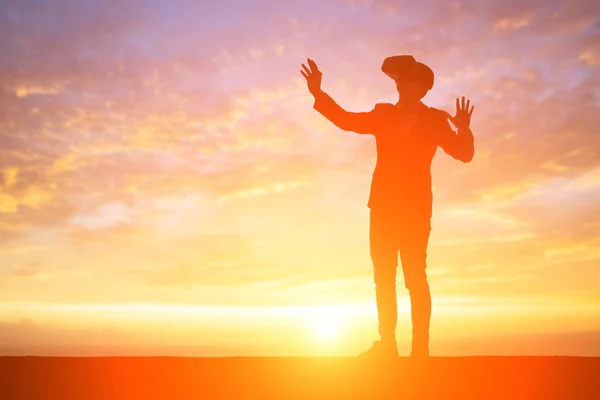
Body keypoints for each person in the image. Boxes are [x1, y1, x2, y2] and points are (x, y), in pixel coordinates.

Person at [300, 56, 475, 358]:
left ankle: (420, 349)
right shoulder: (383, 114)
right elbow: (345, 119)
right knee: (383, 277)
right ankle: (388, 346)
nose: (399, 84)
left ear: (422, 88)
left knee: (415, 278)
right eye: (398, 80)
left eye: (407, 80)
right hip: (382, 208)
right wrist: (318, 92)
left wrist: (463, 129)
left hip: (416, 210)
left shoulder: (435, 120)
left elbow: (464, 154)